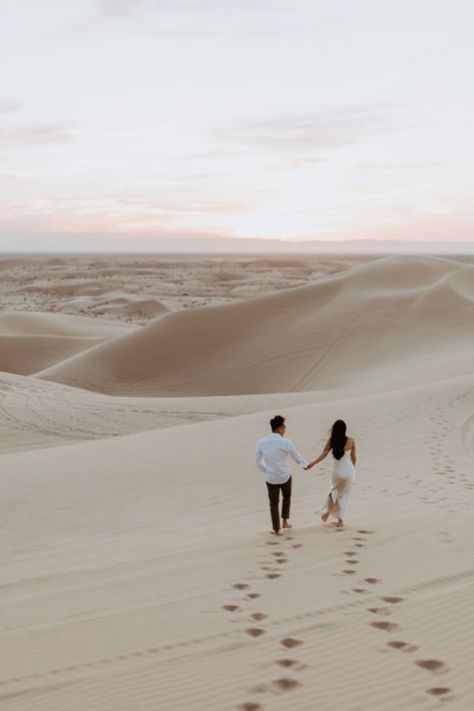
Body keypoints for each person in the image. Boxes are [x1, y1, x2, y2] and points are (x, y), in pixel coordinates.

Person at [256, 415, 309, 535]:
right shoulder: (286, 442)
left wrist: (267, 470)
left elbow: (258, 462)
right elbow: (297, 457)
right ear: (279, 428)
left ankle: (276, 529)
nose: (285, 429)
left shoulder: (261, 442)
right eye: (284, 427)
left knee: (273, 504)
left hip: (272, 478)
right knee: (287, 498)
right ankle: (285, 521)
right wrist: (305, 465)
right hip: (285, 476)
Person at [307, 419, 356, 527]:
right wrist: (353, 471)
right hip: (349, 472)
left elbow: (323, 454)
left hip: (337, 472)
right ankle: (340, 520)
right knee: (343, 495)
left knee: (334, 491)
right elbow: (354, 458)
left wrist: (313, 463)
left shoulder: (332, 441)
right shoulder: (351, 441)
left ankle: (327, 511)